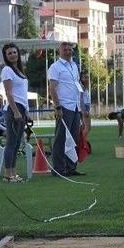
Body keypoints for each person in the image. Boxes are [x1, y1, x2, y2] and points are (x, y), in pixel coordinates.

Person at [48, 41, 84, 176]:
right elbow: (52, 88)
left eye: (70, 49)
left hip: (75, 106)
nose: (68, 51)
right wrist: (57, 107)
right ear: (59, 51)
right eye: (65, 50)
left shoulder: (74, 65)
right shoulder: (55, 67)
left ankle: (71, 167)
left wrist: (81, 105)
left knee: (73, 138)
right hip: (64, 106)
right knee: (61, 138)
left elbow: (77, 85)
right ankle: (58, 168)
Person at [0, 43, 28, 183]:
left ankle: (14, 173)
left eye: (14, 52)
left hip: (22, 108)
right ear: (5, 56)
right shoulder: (7, 70)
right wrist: (16, 112)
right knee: (11, 143)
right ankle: (8, 174)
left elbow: (22, 93)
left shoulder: (19, 71)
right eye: (9, 53)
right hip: (13, 109)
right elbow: (9, 93)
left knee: (17, 143)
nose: (12, 55)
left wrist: (25, 112)